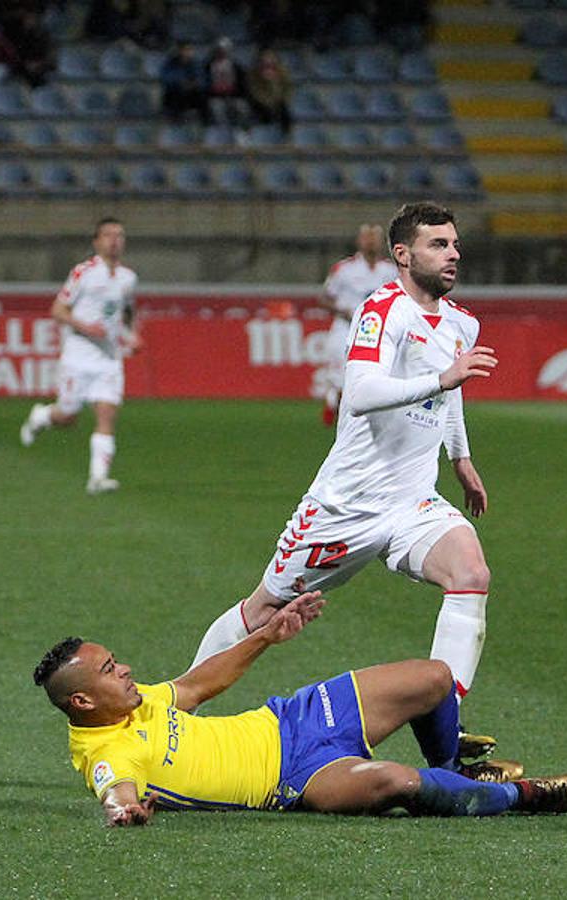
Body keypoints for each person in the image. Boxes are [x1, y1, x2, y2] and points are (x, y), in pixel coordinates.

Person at [189, 202, 502, 757]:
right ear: (402, 255)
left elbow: (449, 393)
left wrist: (461, 457)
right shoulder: (383, 310)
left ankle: (443, 730)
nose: (453, 254)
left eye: (454, 244)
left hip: (412, 503)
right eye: (438, 245)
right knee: (265, 610)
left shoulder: (462, 322)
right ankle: (178, 708)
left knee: (470, 572)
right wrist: (442, 376)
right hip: (345, 507)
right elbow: (358, 393)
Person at [34, 591, 567, 825]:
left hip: (292, 719)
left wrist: (268, 636)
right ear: (81, 701)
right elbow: (116, 790)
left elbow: (198, 686)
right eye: (111, 670)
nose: (125, 669)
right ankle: (524, 796)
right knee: (399, 781)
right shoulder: (105, 751)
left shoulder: (135, 707)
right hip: (297, 779)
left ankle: (454, 772)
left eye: (115, 660)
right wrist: (123, 812)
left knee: (435, 678)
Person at [20, 218, 140, 495]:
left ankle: (97, 479)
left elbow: (128, 310)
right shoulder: (82, 273)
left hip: (109, 360)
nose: (114, 240)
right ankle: (42, 416)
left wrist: (133, 335)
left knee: (107, 415)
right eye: (108, 235)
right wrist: (87, 327)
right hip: (78, 357)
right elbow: (57, 310)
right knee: (67, 417)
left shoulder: (128, 278)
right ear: (96, 242)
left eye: (119, 235)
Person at [318, 223, 399, 426]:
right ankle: (333, 407)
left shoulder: (391, 271)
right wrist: (342, 311)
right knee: (339, 374)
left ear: (382, 242)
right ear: (359, 241)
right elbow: (325, 298)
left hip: (375, 331)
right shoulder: (344, 269)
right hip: (345, 327)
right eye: (367, 237)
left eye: (375, 237)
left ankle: (364, 413)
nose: (371, 241)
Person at [246, 48, 293, 135]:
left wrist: (280, 97)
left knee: (285, 111)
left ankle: (286, 135)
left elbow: (288, 89)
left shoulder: (282, 72)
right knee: (254, 110)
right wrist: (267, 102)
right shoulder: (253, 73)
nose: (268, 61)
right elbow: (255, 91)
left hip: (277, 100)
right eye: (265, 59)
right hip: (261, 102)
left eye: (270, 58)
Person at [159, 43, 208, 122]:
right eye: (184, 50)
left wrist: (194, 84)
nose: (187, 52)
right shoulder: (171, 63)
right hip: (176, 91)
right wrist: (180, 82)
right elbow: (165, 77)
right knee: (172, 93)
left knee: (202, 95)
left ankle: (203, 121)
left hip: (192, 92)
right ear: (179, 51)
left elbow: (202, 79)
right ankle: (175, 118)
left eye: (189, 50)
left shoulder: (196, 64)